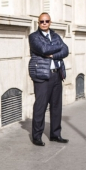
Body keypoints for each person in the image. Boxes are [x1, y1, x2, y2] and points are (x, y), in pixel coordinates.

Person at [28, 12, 69, 146]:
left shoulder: (56, 35)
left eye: (47, 21)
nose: (44, 23)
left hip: (57, 74)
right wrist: (58, 48)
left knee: (56, 106)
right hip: (42, 75)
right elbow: (43, 49)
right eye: (42, 22)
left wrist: (53, 54)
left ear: (50, 22)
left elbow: (66, 50)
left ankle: (55, 134)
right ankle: (37, 136)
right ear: (38, 23)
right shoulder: (34, 37)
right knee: (40, 106)